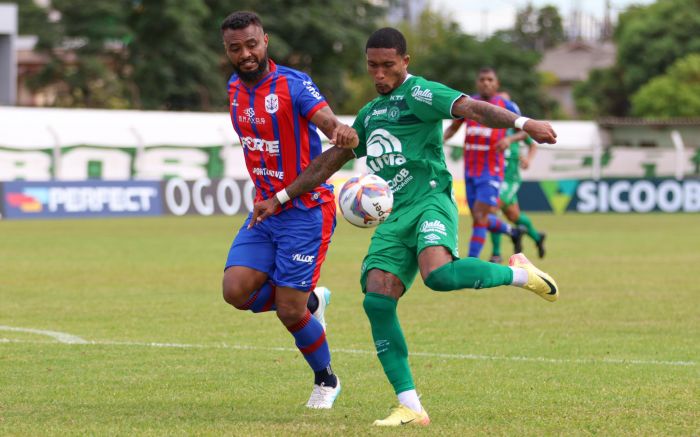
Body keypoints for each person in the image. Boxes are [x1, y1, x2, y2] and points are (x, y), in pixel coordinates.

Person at [249, 27, 559, 426]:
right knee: (377, 300)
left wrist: (524, 122)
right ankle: (410, 405)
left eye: (388, 66)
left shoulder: (421, 93)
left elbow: (473, 109)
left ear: (405, 62)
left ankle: (520, 273)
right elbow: (328, 162)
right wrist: (280, 199)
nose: (379, 74)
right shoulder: (369, 113)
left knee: (440, 275)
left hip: (430, 199)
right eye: (372, 66)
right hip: (392, 217)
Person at [220, 11, 358, 409]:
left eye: (251, 44)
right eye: (235, 48)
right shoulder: (233, 88)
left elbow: (330, 125)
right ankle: (313, 302)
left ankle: (326, 379)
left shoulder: (294, 85)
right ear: (226, 50)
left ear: (265, 41)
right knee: (235, 292)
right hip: (265, 212)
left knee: (288, 310)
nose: (245, 54)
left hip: (306, 212)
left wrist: (339, 132)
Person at [443, 68, 524, 259]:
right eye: (482, 79)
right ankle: (513, 232)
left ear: (497, 83)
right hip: (470, 169)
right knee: (480, 218)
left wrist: (509, 140)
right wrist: (438, 141)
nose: (486, 82)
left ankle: (471, 261)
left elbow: (526, 130)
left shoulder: (506, 105)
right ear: (477, 83)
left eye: (490, 79)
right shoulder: (468, 104)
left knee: (479, 217)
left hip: (491, 170)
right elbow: (453, 128)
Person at [488, 92, 546, 263]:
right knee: (513, 216)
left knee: (492, 208)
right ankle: (537, 237)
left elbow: (531, 142)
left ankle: (496, 253)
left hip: (510, 178)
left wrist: (527, 159)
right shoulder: (491, 125)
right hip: (495, 176)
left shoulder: (514, 126)